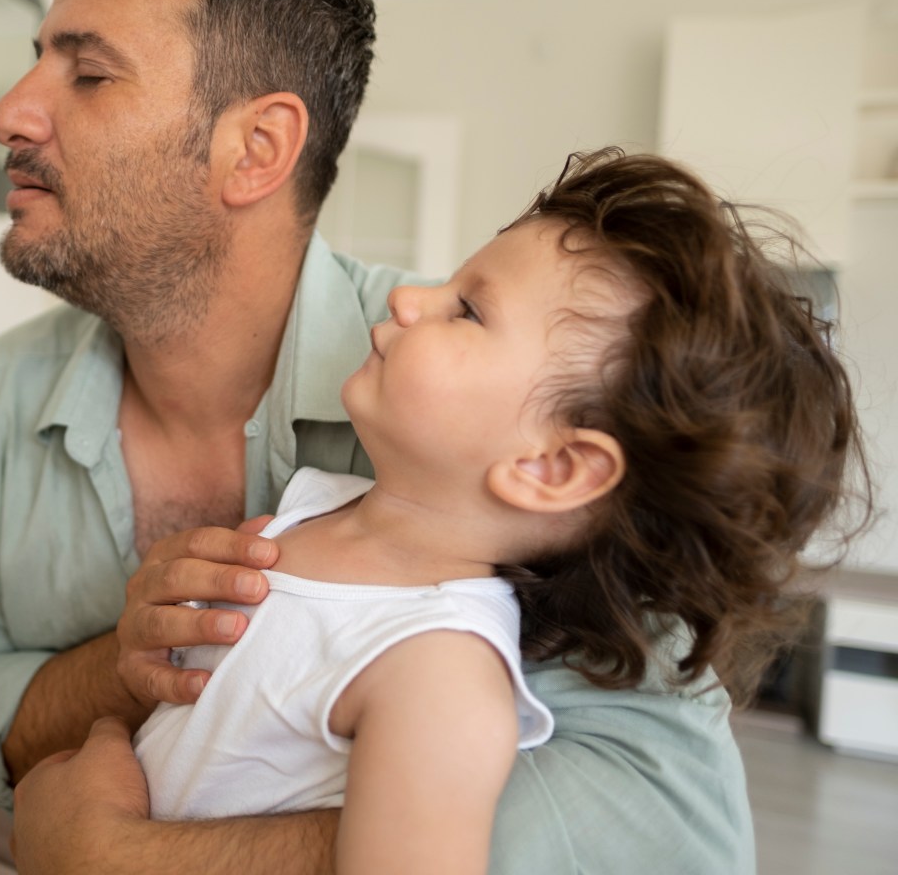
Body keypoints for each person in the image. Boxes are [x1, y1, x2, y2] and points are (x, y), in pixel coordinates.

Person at [0, 0, 762, 871]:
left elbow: (666, 826)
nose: (8, 110)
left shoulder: (486, 411)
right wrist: (114, 670)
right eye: (36, 60)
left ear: (256, 148)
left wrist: (123, 859)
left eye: (88, 74)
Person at [130, 149, 870, 873]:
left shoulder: (439, 674)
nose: (408, 299)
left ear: (553, 468)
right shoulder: (318, 502)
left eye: (467, 310)